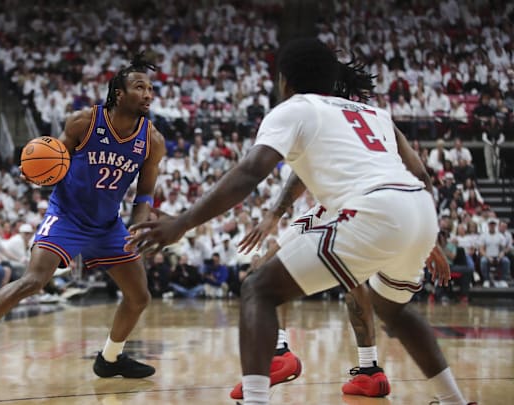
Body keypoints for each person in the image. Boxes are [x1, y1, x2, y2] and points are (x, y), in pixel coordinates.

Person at [128, 39, 476, 405]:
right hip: (418, 209)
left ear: (285, 81)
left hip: (372, 209)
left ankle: (259, 393)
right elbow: (419, 172)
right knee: (395, 311)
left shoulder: (294, 108)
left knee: (258, 288)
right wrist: (424, 236)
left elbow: (249, 173)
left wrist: (181, 223)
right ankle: (453, 400)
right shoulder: (375, 114)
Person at [0, 54, 167, 380]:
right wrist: (38, 172)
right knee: (33, 281)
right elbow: (53, 158)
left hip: (108, 225)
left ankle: (110, 359)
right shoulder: (83, 122)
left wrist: (139, 225)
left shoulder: (152, 141)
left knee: (139, 296)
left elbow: (144, 194)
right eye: (140, 87)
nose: (148, 94)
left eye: (151, 89)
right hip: (67, 215)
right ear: (119, 94)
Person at [229, 173, 388, 400]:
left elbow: (299, 173)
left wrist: (274, 214)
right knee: (354, 277)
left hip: (339, 203)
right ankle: (370, 370)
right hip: (384, 207)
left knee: (264, 273)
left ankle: (279, 352)